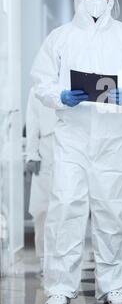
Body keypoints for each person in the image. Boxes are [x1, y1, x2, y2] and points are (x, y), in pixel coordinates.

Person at [31, 0, 122, 304]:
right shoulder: (60, 37)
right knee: (66, 210)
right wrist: (60, 95)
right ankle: (59, 286)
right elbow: (41, 81)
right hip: (72, 138)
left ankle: (114, 285)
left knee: (112, 213)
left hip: (113, 139)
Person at [26, 88, 57, 274]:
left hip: (72, 145)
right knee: (42, 209)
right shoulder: (38, 87)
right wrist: (32, 153)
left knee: (70, 208)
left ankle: (66, 259)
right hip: (46, 149)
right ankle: (45, 257)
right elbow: (32, 119)